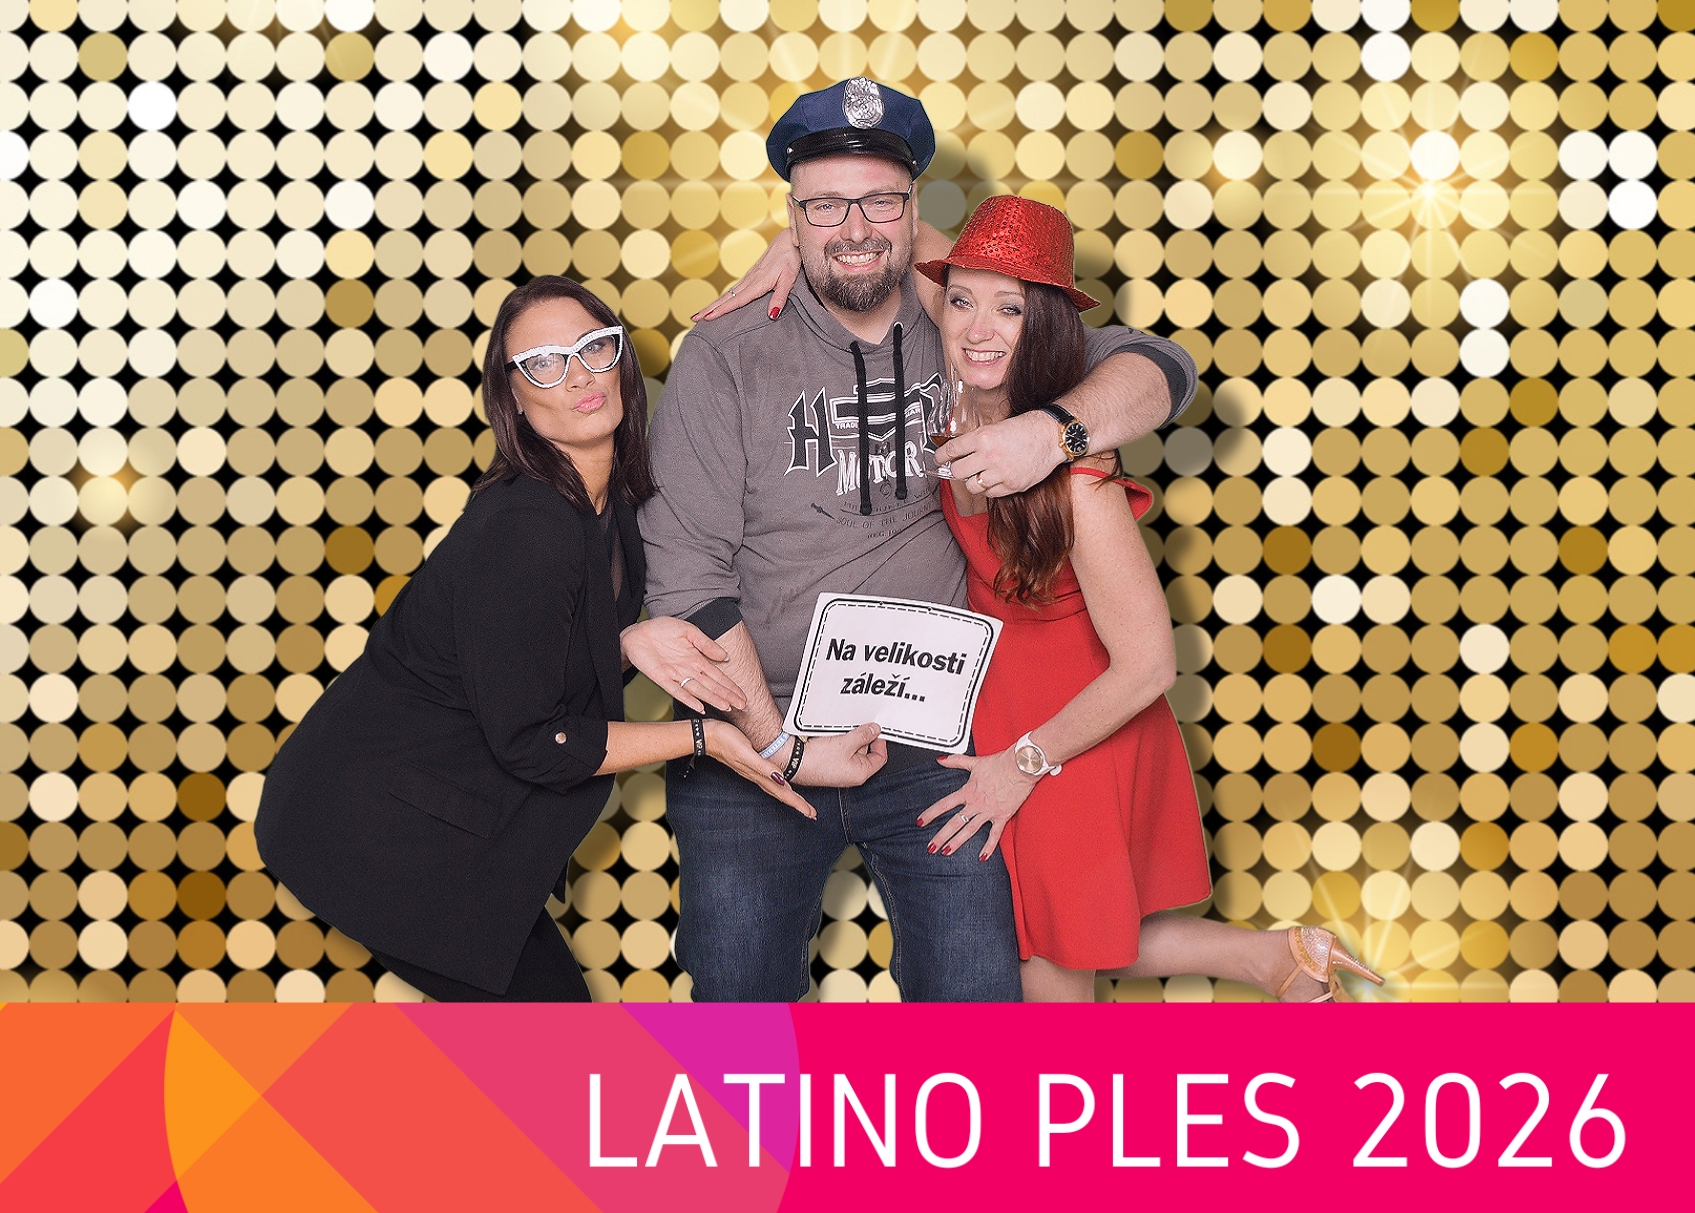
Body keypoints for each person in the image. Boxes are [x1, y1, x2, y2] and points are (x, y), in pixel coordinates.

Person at [641, 78, 1200, 1002]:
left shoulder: (961, 316)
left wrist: (1051, 432)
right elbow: (684, 570)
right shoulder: (725, 354)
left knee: (980, 991)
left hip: (936, 728)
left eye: (879, 203)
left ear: (914, 215)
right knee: (738, 998)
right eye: (824, 206)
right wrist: (780, 745)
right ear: (790, 216)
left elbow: (1160, 368)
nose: (853, 229)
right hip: (759, 725)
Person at [255, 277, 812, 1002]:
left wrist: (624, 642)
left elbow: (521, 654)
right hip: (370, 826)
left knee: (552, 1043)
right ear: (513, 396)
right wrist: (702, 738)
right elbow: (535, 740)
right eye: (544, 362)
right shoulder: (526, 529)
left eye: (593, 347)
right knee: (556, 1045)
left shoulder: (611, 505)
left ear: (621, 359)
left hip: (443, 817)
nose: (578, 374)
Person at [910, 195, 1385, 1002]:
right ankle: (1280, 958)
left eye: (1009, 308)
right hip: (1001, 710)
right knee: (1052, 929)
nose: (977, 328)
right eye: (960, 301)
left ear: (1047, 324)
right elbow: (888, 230)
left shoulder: (1076, 476)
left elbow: (1148, 664)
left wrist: (1022, 764)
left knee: (1048, 965)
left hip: (1071, 732)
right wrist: (794, 240)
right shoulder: (969, 391)